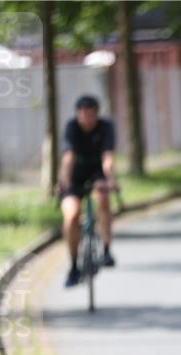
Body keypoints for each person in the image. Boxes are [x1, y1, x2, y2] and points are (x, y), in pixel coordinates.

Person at [58, 95, 117, 288]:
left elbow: (107, 157)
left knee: (103, 197)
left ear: (97, 114)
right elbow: (68, 157)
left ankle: (106, 249)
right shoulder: (71, 128)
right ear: (77, 115)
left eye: (91, 115)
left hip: (96, 172)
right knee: (71, 215)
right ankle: (74, 265)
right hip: (74, 175)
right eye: (82, 115)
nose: (86, 119)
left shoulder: (106, 127)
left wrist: (110, 179)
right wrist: (65, 181)